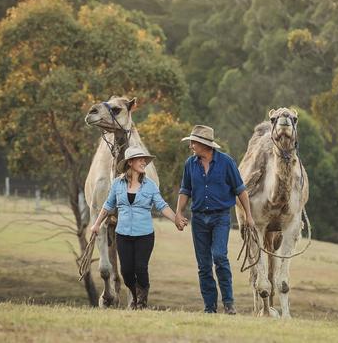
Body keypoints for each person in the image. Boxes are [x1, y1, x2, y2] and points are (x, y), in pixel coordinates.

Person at [89, 145, 186, 309]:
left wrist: (176, 219)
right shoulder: (117, 184)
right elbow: (108, 205)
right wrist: (97, 224)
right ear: (130, 163)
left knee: (140, 268)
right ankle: (135, 296)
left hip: (144, 235)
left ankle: (141, 303)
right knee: (126, 272)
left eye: (144, 160)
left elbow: (162, 206)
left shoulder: (150, 186)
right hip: (123, 234)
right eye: (140, 160)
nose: (143, 162)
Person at [175, 125, 255, 314]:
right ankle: (210, 307)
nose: (191, 146)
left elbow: (241, 191)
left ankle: (228, 303)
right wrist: (179, 212)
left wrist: (249, 216)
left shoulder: (226, 162)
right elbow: (185, 190)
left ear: (205, 144)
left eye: (194, 142)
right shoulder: (190, 164)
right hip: (199, 219)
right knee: (203, 265)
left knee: (219, 257)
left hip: (220, 217)